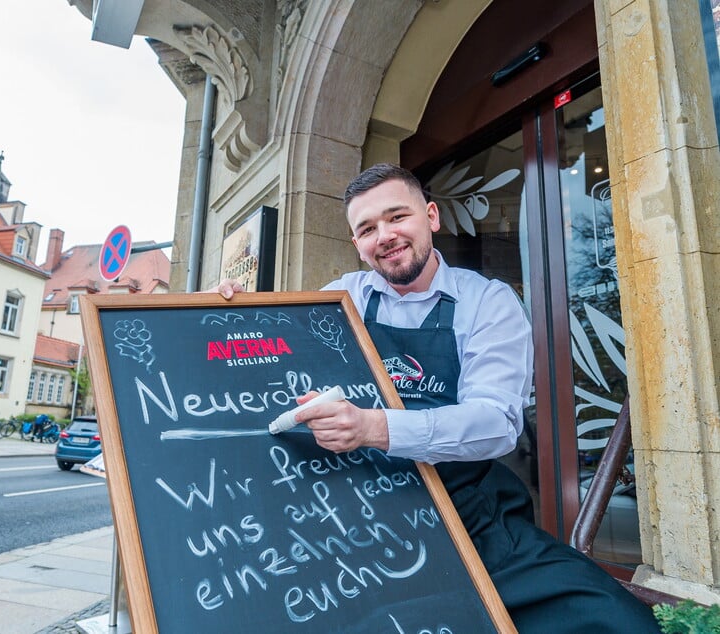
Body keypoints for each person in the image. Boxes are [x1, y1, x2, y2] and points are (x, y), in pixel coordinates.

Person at [214, 163, 660, 632]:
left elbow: (495, 424)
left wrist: (373, 427)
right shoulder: (337, 298)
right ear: (356, 245)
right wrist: (224, 313)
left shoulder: (487, 301)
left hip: (470, 518)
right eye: (367, 228)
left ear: (430, 216)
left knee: (615, 619)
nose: (384, 235)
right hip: (356, 521)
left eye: (396, 217)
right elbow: (267, 362)